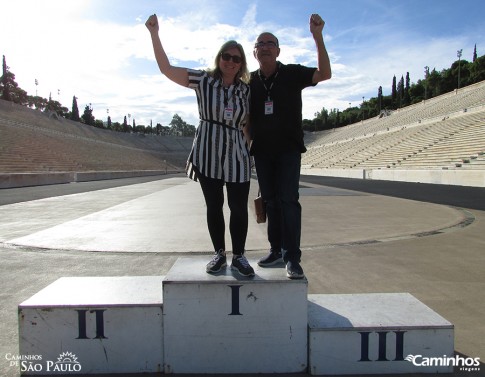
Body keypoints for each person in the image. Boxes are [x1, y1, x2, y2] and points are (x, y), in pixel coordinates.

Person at [146, 14, 254, 277]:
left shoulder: (246, 91)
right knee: (214, 205)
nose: (230, 61)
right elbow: (166, 69)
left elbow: (248, 124)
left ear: (241, 65)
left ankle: (239, 256)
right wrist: (154, 34)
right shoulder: (203, 80)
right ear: (219, 58)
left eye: (236, 58)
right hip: (208, 150)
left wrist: (250, 150)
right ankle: (219, 254)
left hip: (238, 154)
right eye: (226, 56)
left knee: (239, 207)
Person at [249, 14, 332, 279]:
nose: (265, 46)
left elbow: (325, 73)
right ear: (254, 52)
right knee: (271, 202)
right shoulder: (248, 81)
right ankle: (275, 250)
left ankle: (292, 258)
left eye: (270, 42)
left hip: (288, 150)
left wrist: (317, 37)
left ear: (278, 50)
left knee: (288, 201)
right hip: (261, 151)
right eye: (260, 43)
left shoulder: (292, 73)